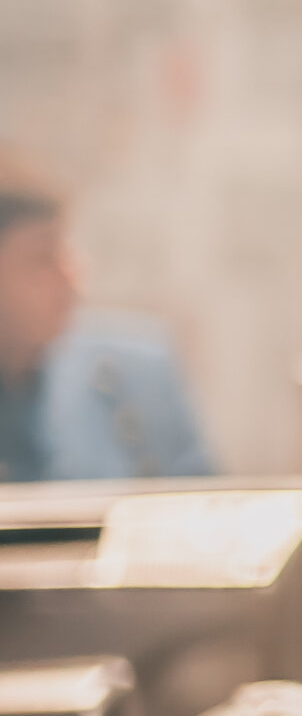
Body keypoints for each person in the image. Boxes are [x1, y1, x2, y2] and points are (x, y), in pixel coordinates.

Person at [0, 153, 213, 481]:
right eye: (41, 258)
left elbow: (206, 512)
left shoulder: (137, 375)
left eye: (66, 251)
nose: (72, 278)